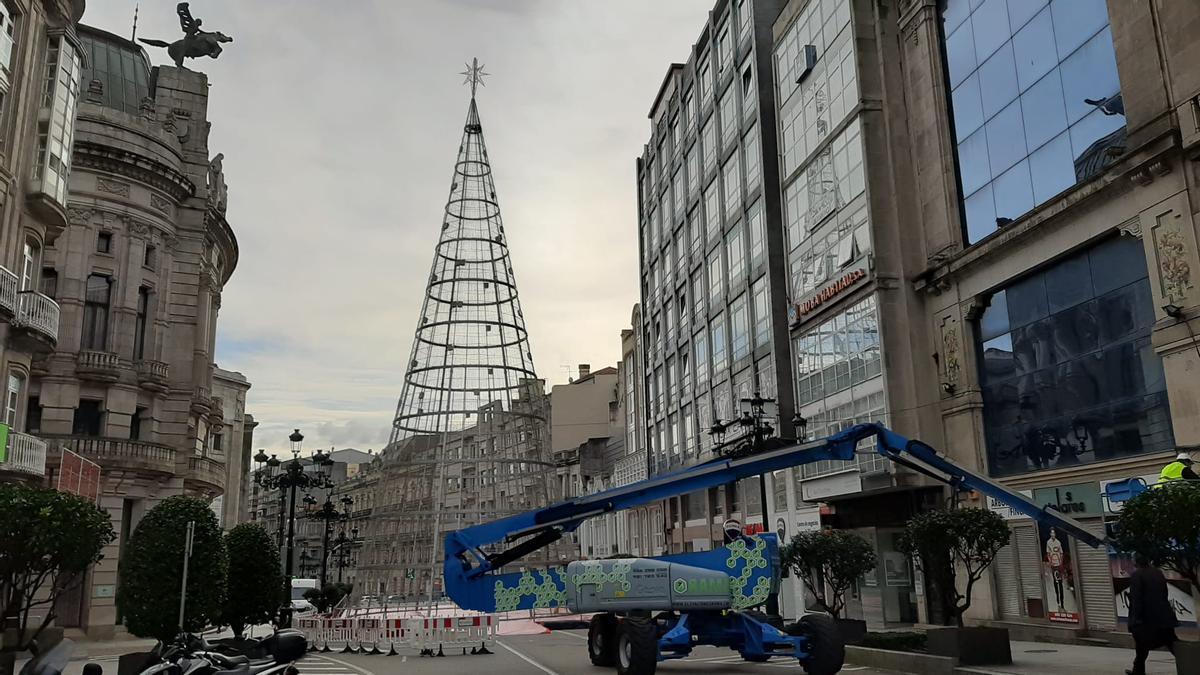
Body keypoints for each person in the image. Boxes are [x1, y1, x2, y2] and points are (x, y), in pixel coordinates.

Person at [1126, 555, 1178, 675]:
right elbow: (1165, 592)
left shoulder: (1137, 575)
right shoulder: (1157, 573)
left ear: (1136, 562)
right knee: (1172, 643)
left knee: (1141, 646)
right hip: (1164, 616)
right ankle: (1137, 671)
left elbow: (1137, 599)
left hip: (1147, 619)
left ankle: (1138, 671)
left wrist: (1135, 619)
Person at [1045, 528, 1066, 610]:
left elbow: (1061, 553)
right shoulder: (1048, 542)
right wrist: (1051, 562)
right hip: (1053, 565)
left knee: (1060, 583)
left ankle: (1062, 602)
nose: (1053, 535)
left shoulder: (1058, 542)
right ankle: (1058, 601)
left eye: (1054, 533)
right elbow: (1048, 553)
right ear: (1050, 534)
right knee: (1055, 582)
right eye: (1052, 533)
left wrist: (1060, 562)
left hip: (1058, 564)